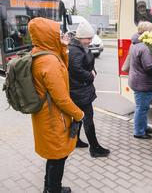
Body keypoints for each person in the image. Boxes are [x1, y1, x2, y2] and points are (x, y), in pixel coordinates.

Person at [29, 17, 84, 193]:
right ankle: (53, 189)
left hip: (45, 115)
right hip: (54, 117)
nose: (60, 34)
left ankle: (49, 188)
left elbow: (62, 68)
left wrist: (63, 47)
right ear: (47, 35)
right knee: (58, 157)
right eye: (56, 32)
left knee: (54, 156)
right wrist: (79, 114)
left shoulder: (40, 53)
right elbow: (62, 98)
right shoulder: (49, 62)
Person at [68, 21, 110, 157]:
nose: (90, 41)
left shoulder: (80, 47)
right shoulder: (75, 50)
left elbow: (88, 63)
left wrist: (93, 71)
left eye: (91, 38)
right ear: (80, 37)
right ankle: (94, 148)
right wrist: (90, 75)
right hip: (80, 91)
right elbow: (76, 69)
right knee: (88, 119)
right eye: (88, 38)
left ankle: (76, 141)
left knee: (78, 117)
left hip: (81, 90)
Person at [128, 21, 152, 139]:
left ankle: (144, 126)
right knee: (142, 108)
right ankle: (139, 132)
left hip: (136, 80)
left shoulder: (135, 43)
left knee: (143, 107)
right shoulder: (145, 47)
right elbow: (149, 67)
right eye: (151, 30)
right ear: (147, 32)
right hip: (143, 82)